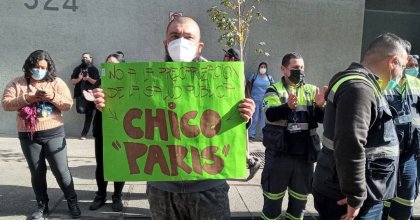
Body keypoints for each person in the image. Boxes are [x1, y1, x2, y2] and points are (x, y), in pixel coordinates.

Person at [93, 16, 255, 219]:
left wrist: (245, 115)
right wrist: (107, 106)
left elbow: (227, 126)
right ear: (166, 42)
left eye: (188, 37)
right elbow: (124, 117)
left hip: (208, 187)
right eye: (175, 36)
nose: (181, 42)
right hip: (162, 188)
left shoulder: (221, 81)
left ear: (199, 46)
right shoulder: (143, 83)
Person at [312, 33, 408, 220]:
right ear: (393, 62)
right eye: (403, 67)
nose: (402, 73)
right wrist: (355, 196)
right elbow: (350, 145)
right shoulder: (360, 89)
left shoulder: (355, 82)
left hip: (344, 188)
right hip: (349, 199)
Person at [1, 50, 81, 219]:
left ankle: (72, 201)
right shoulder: (17, 83)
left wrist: (52, 96)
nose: (39, 70)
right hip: (29, 136)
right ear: (29, 67)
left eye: (43, 67)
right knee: (37, 172)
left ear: (48, 68)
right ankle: (42, 205)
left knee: (61, 170)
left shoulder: (56, 82)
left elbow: (68, 104)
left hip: (54, 133)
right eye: (35, 67)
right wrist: (28, 98)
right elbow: (6, 104)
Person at [260, 52, 326, 220]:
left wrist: (320, 107)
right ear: (283, 69)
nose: (300, 71)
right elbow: (271, 115)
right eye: (295, 67)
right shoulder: (274, 89)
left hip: (304, 159)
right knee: (272, 205)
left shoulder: (311, 90)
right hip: (279, 156)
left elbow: (321, 119)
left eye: (302, 67)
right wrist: (287, 106)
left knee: (298, 207)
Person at [381, 53, 420, 220]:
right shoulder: (383, 83)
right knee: (384, 200)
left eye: (414, 66)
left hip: (411, 152)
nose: (412, 69)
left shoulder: (417, 84)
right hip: (387, 151)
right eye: (408, 65)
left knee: (406, 200)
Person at [88, 53, 126, 212]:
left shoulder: (128, 83)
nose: (110, 67)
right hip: (102, 128)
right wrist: (93, 101)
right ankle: (101, 195)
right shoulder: (100, 82)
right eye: (107, 63)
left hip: (121, 128)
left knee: (119, 163)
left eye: (114, 64)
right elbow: (89, 106)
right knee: (101, 164)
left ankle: (117, 196)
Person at [71, 52, 100, 140]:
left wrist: (88, 78)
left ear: (91, 59)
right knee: (80, 110)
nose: (85, 59)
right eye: (83, 57)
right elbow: (72, 81)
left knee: (89, 115)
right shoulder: (78, 68)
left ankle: (84, 134)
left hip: (91, 95)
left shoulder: (94, 69)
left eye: (86, 58)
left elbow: (97, 82)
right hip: (80, 95)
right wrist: (79, 78)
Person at [245, 62, 275, 141]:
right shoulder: (254, 76)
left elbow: (274, 88)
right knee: (254, 119)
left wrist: (272, 98)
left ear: (266, 68)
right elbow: (247, 86)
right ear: (259, 68)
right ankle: (251, 136)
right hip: (254, 100)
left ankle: (263, 137)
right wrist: (249, 96)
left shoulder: (269, 77)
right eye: (262, 66)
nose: (263, 68)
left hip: (265, 102)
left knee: (263, 120)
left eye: (265, 67)